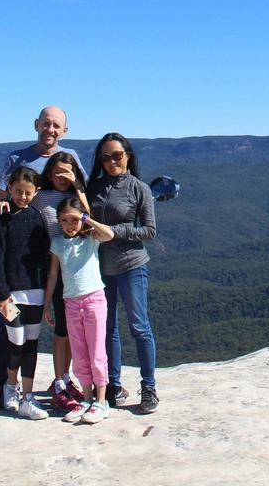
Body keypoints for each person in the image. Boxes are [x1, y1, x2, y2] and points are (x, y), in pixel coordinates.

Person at [0, 106, 87, 411]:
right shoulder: (17, 158)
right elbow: (1, 198)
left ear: (64, 131)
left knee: (57, 324)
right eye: (46, 124)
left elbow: (84, 201)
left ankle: (59, 380)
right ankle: (1, 385)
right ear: (36, 125)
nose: (50, 130)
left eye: (56, 125)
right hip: (25, 260)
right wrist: (2, 206)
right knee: (6, 328)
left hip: (61, 258)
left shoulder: (70, 157)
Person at [86, 132, 159, 413]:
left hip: (131, 266)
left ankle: (149, 387)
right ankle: (113, 385)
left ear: (128, 155)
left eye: (117, 155)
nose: (112, 161)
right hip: (100, 268)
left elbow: (150, 231)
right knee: (107, 329)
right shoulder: (94, 188)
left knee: (139, 327)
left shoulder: (139, 188)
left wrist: (114, 232)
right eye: (106, 157)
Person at [0, 166, 51, 419]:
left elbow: (44, 255)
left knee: (31, 342)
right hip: (12, 293)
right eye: (18, 191)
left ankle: (28, 395)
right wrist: (0, 292)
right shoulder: (0, 217)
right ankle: (10, 387)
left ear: (36, 192)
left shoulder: (37, 217)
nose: (22, 196)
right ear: (9, 189)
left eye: (28, 192)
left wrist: (49, 292)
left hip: (35, 290)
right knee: (15, 340)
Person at [43, 197, 115, 424]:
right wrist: (46, 303)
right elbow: (53, 275)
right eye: (64, 220)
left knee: (96, 352)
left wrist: (87, 220)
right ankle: (86, 398)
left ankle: (101, 401)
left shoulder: (91, 238)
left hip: (93, 299)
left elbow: (110, 235)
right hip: (70, 302)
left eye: (73, 220)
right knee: (80, 353)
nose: (69, 224)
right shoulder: (57, 243)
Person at [33, 152, 91, 414]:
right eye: (57, 172)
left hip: (76, 269)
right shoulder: (41, 196)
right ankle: (58, 383)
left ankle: (66, 379)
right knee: (60, 330)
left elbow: (87, 220)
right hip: (52, 266)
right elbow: (23, 212)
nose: (62, 177)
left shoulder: (78, 196)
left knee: (70, 329)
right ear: (48, 172)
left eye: (68, 172)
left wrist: (78, 187)